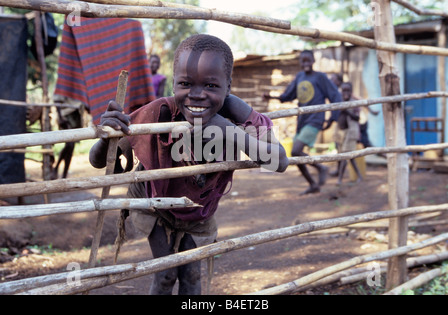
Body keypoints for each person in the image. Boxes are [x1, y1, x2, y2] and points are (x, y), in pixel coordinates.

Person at [89, 34, 289, 295]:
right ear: (173, 84)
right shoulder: (158, 113)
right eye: (185, 83)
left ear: (228, 86)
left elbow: (279, 161)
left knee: (192, 276)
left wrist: (230, 132)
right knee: (165, 275)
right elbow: (100, 162)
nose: (197, 95)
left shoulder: (237, 113)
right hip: (154, 202)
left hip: (199, 210)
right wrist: (107, 136)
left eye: (210, 85)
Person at [264, 50, 342, 195]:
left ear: (313, 61)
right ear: (300, 62)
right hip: (302, 120)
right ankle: (313, 184)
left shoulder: (320, 77)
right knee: (296, 156)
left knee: (295, 150)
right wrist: (273, 97)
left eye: (308, 60)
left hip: (315, 118)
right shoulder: (300, 76)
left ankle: (320, 168)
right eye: (303, 61)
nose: (306, 63)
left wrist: (333, 117)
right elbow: (288, 94)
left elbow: (335, 95)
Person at [335, 82, 363, 185]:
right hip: (341, 133)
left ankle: (339, 179)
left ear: (351, 92)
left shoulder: (354, 103)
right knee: (350, 157)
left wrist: (346, 110)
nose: (346, 93)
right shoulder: (339, 102)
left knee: (344, 156)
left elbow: (357, 118)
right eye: (344, 90)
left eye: (348, 90)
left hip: (351, 133)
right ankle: (359, 176)